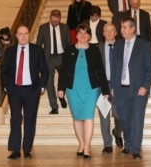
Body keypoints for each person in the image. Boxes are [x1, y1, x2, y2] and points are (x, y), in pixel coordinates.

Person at [57, 23, 109, 159]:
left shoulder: (94, 50)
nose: (82, 36)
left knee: (88, 116)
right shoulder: (69, 50)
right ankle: (81, 143)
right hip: (72, 89)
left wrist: (105, 90)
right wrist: (60, 88)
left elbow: (100, 70)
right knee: (77, 117)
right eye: (80, 33)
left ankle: (87, 147)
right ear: (76, 35)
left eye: (86, 33)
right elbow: (63, 71)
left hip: (91, 89)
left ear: (89, 36)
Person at [110, 16, 151, 160]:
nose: (121, 30)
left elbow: (150, 69)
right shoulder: (117, 45)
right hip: (121, 89)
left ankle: (135, 148)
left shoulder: (145, 45)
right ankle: (128, 145)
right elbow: (115, 68)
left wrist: (145, 86)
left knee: (136, 119)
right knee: (124, 119)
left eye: (124, 27)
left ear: (132, 28)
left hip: (138, 90)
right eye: (121, 27)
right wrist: (113, 86)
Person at [1, 25, 49, 159]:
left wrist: (42, 86)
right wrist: (7, 87)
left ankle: (27, 149)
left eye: (26, 33)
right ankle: (15, 150)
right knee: (15, 118)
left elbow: (45, 70)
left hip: (32, 90)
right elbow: (4, 71)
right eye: (20, 34)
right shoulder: (10, 51)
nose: (23, 36)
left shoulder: (37, 50)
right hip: (15, 90)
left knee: (30, 119)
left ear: (29, 35)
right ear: (16, 36)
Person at [36, 9, 72, 114]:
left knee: (65, 79)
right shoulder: (43, 28)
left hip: (62, 57)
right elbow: (38, 44)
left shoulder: (65, 28)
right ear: (50, 18)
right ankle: (54, 106)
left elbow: (69, 43)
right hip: (48, 58)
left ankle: (61, 96)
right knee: (49, 82)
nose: (54, 23)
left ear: (60, 19)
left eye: (56, 21)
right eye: (53, 21)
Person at [97, 23, 123, 154]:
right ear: (103, 33)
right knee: (104, 115)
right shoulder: (98, 48)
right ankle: (107, 144)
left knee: (120, 114)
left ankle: (117, 133)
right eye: (106, 31)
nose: (108, 33)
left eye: (111, 31)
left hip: (118, 85)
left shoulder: (122, 47)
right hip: (103, 85)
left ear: (116, 32)